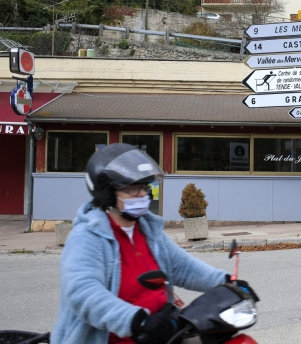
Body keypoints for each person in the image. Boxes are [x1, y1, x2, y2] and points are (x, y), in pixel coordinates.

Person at [52, 143, 257, 344]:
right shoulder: (87, 236)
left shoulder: (147, 230)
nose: (142, 195)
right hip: (118, 337)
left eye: (143, 187)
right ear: (106, 192)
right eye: (132, 189)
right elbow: (83, 292)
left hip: (162, 331)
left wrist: (227, 282)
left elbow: (183, 267)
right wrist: (136, 321)